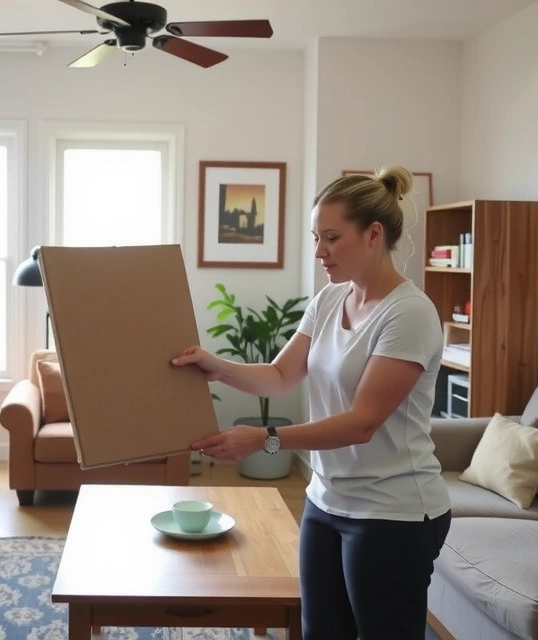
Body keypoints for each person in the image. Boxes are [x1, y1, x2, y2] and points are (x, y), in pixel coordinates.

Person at [172, 165, 451, 640]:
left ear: (373, 234)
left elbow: (361, 422)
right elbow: (281, 376)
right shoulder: (329, 300)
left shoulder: (410, 315)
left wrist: (264, 439)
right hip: (327, 500)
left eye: (331, 237)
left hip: (391, 512)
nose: (319, 251)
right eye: (315, 237)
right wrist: (215, 365)